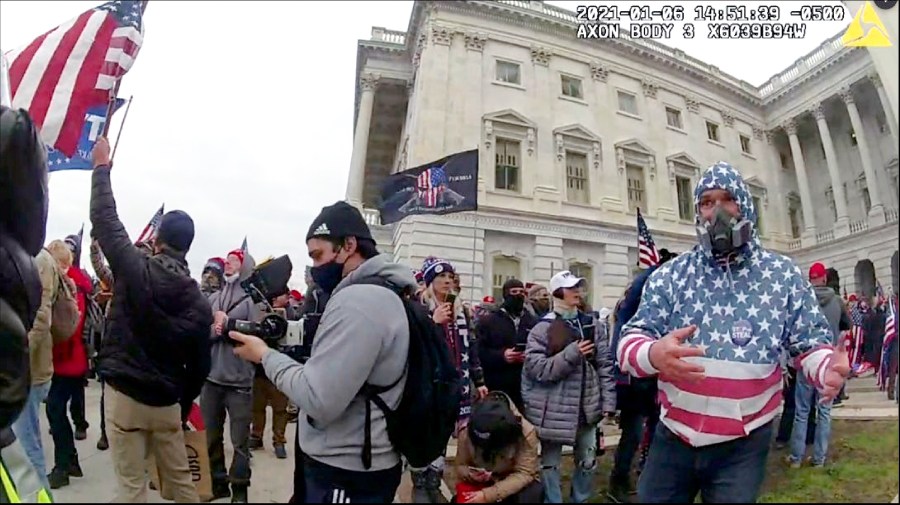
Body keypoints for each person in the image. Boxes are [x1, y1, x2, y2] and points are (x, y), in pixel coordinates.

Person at [616, 161, 849, 503]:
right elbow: (629, 341)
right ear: (697, 211)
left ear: (745, 204)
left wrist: (826, 367)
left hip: (743, 446)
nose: (718, 211)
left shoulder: (781, 274)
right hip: (673, 438)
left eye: (728, 199)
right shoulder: (670, 276)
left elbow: (809, 343)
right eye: (707, 202)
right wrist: (652, 354)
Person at [230, 201, 413, 503]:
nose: (315, 267)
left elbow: (319, 398)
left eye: (318, 255)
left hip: (346, 470)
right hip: (355, 460)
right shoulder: (382, 291)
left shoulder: (359, 302)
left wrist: (264, 355)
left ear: (349, 245)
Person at [89, 136, 213, 503]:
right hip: (166, 404)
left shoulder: (134, 269)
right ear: (187, 246)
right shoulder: (198, 302)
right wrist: (182, 399)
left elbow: (105, 220)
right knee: (183, 488)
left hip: (125, 395)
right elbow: (201, 364)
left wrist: (101, 168)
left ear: (157, 239)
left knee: (131, 489)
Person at [521, 270, 616, 504]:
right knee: (550, 463)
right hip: (552, 409)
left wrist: (609, 402)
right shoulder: (541, 329)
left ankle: (579, 499)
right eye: (571, 287)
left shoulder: (592, 325)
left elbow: (605, 365)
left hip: (586, 408)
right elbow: (538, 369)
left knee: (587, 461)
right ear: (557, 293)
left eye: (579, 287)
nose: (577, 291)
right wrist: (572, 354)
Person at [0, 102, 55, 503]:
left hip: (41, 369)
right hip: (36, 370)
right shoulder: (21, 266)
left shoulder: (28, 268)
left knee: (28, 436)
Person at [414, 256, 488, 503]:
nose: (447, 281)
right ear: (428, 282)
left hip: (458, 384)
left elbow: (472, 349)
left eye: (449, 277)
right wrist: (433, 323)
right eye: (440, 277)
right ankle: (421, 482)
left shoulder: (462, 310)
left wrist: (479, 381)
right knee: (428, 432)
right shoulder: (420, 308)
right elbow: (415, 346)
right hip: (430, 385)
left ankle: (434, 481)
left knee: (446, 431)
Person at [606, 249, 676, 503]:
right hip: (634, 377)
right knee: (632, 432)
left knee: (658, 429)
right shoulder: (640, 293)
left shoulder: (667, 297)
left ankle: (647, 472)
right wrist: (655, 269)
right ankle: (619, 480)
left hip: (658, 374)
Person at [204, 248, 259, 502]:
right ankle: (218, 483)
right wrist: (215, 330)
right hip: (212, 379)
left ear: (244, 266)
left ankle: (239, 488)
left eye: (234, 261)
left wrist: (228, 327)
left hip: (239, 382)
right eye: (227, 260)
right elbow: (203, 333)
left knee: (240, 441)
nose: (228, 264)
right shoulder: (213, 299)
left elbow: (258, 336)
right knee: (211, 435)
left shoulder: (251, 301)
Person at [787, 262, 852, 468]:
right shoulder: (838, 302)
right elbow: (847, 326)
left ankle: (796, 458)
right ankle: (819, 459)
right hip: (829, 363)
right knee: (824, 411)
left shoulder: (803, 300)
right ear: (824, 278)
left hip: (807, 359)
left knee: (802, 411)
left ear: (810, 279)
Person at [45, 240, 92, 489]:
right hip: (66, 358)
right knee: (57, 409)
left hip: (68, 358)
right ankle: (70, 461)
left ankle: (63, 466)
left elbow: (70, 326)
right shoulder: (69, 285)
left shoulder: (73, 287)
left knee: (54, 409)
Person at [11, 240, 58, 491]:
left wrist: (15, 356)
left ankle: (40, 494)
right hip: (24, 368)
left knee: (27, 448)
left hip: (26, 370)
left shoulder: (38, 259)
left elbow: (41, 319)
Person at [453, 392, 542, 504]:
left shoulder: (526, 433)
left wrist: (488, 495)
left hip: (510, 482)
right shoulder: (468, 428)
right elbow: (460, 465)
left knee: (532, 492)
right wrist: (471, 474)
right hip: (480, 484)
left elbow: (525, 473)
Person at [476, 278, 537, 412]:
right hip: (497, 384)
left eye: (522, 292)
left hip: (525, 385)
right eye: (514, 292)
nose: (518, 295)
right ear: (505, 295)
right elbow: (479, 352)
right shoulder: (489, 321)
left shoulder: (532, 321)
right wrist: (502, 356)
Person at [249, 292, 292, 460]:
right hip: (260, 368)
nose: (275, 300)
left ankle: (279, 441)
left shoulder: (292, 314)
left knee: (280, 409)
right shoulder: (260, 312)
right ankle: (256, 436)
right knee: (257, 407)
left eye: (279, 296)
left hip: (280, 369)